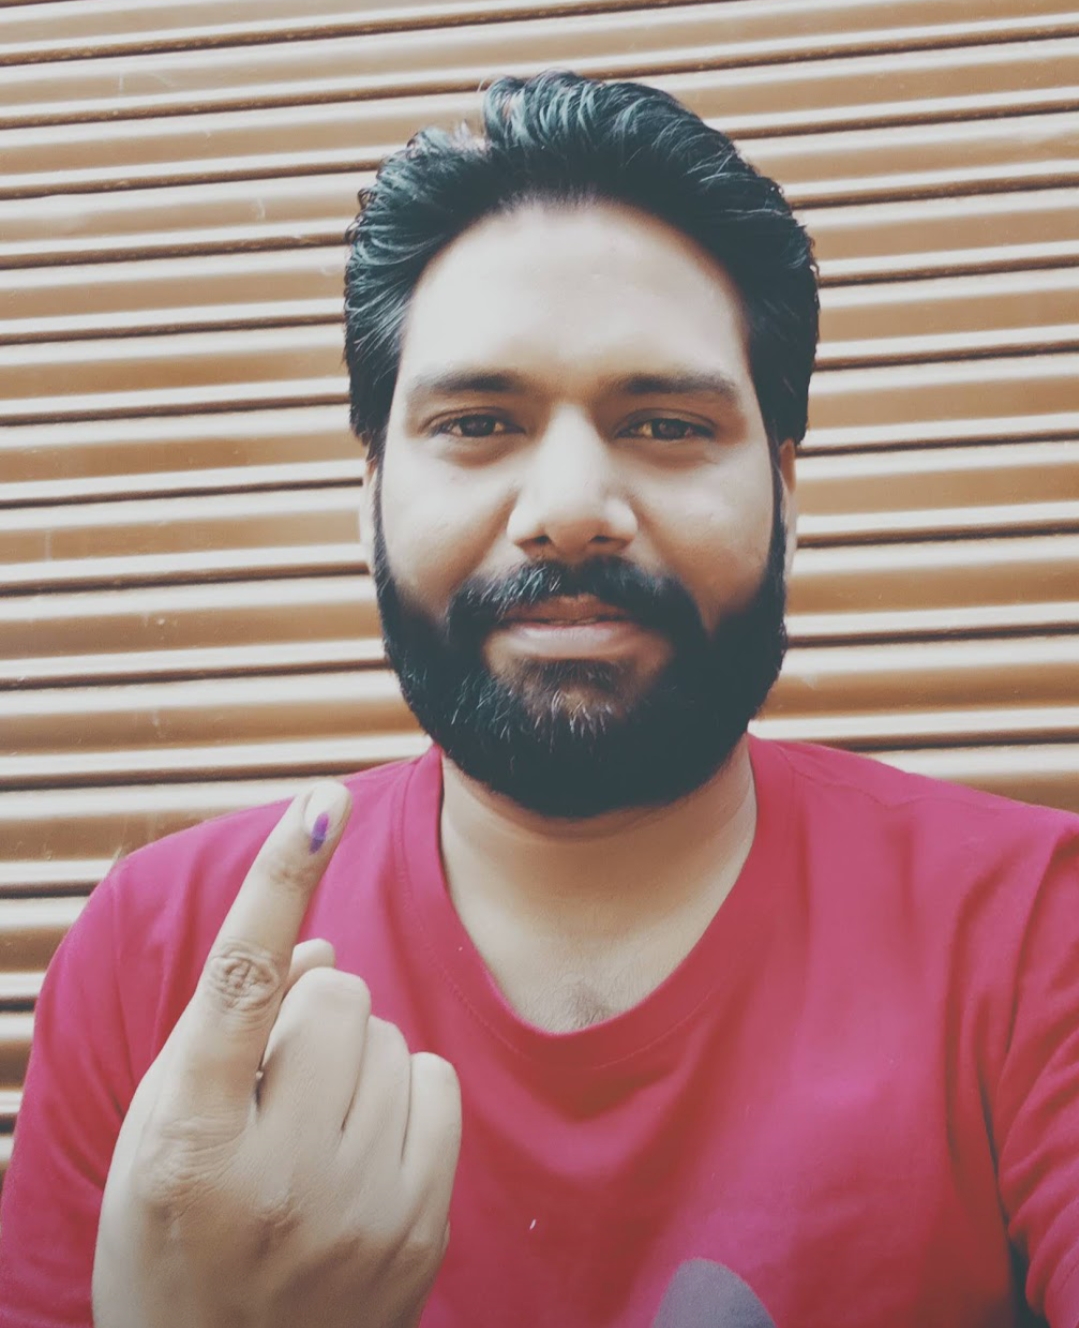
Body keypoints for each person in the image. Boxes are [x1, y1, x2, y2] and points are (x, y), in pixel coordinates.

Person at [1, 71, 1077, 1328]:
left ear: (786, 491)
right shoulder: (156, 959)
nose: (568, 507)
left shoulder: (1032, 933)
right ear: (369, 499)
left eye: (664, 425)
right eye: (477, 422)